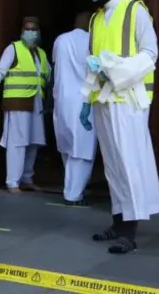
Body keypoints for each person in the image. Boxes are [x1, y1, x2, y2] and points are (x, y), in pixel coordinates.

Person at [79, 0, 159, 254]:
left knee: (129, 163)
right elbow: (93, 61)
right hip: (103, 100)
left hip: (128, 98)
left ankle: (130, 231)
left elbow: (150, 53)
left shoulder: (134, 10)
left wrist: (115, 70)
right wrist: (86, 102)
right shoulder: (96, 20)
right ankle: (117, 221)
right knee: (112, 165)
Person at [0, 17, 50, 194]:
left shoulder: (41, 54)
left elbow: (48, 77)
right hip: (17, 102)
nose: (31, 33)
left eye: (34, 30)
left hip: (36, 102)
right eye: (27, 29)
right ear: (22, 31)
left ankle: (27, 178)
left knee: (34, 142)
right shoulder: (13, 49)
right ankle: (12, 182)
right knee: (17, 142)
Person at [52, 11, 97, 206]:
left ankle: (71, 187)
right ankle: (73, 194)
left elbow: (55, 66)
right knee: (83, 149)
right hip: (84, 99)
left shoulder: (60, 40)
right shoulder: (92, 41)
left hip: (62, 98)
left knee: (67, 146)